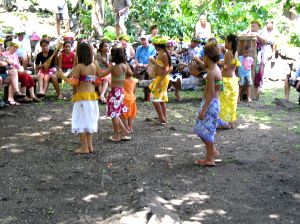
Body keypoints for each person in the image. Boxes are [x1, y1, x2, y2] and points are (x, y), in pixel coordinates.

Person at [193, 42, 222, 166]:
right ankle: (213, 151)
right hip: (213, 103)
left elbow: (210, 93)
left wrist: (204, 110)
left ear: (207, 56)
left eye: (204, 55)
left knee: (206, 131)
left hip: (210, 104)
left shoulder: (211, 73)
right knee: (200, 129)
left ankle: (210, 158)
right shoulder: (215, 68)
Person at [70, 42, 99, 154]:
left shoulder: (79, 66)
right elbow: (95, 81)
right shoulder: (93, 65)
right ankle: (90, 146)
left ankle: (84, 148)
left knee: (81, 121)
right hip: (92, 97)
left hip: (82, 97)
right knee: (89, 121)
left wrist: (62, 76)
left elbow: (73, 83)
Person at [98, 47, 132, 142]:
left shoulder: (113, 66)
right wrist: (125, 62)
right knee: (117, 113)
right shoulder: (124, 66)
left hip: (114, 92)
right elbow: (130, 74)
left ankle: (117, 135)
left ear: (114, 56)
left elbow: (101, 74)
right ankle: (125, 131)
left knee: (114, 114)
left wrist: (96, 64)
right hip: (121, 91)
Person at [217, 34, 240, 129]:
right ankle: (231, 122)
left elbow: (226, 67)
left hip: (226, 81)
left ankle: (224, 123)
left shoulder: (228, 53)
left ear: (230, 43)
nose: (224, 43)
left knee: (223, 101)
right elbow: (232, 65)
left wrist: (217, 61)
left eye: (225, 41)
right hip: (234, 80)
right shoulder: (236, 52)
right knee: (232, 102)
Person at [148, 36, 171, 124]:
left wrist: (161, 79)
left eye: (154, 44)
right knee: (160, 99)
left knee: (154, 99)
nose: (153, 46)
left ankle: (162, 118)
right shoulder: (161, 53)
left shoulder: (164, 54)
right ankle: (163, 118)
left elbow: (167, 68)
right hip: (159, 77)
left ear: (158, 45)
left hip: (162, 78)